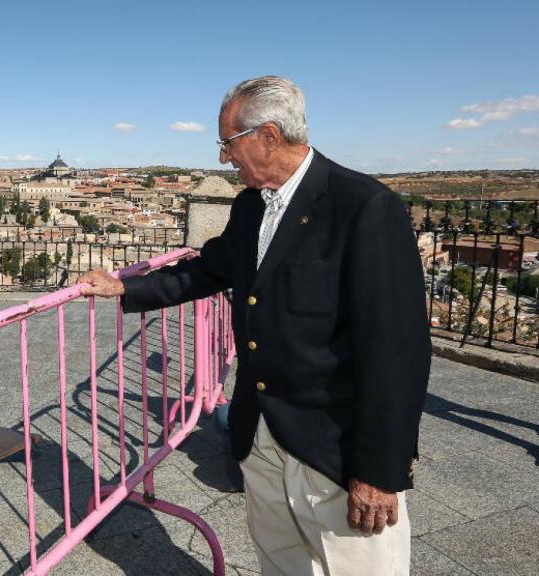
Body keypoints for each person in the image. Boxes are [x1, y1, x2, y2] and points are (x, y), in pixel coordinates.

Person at [80, 76, 430, 575]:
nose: (224, 159)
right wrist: (125, 288)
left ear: (268, 135)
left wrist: (379, 470)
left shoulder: (364, 207)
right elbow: (209, 269)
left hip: (334, 449)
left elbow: (397, 351)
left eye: (228, 144)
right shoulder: (250, 207)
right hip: (260, 435)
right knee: (279, 565)